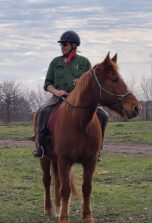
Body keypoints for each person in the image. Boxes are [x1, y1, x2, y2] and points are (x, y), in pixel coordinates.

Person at [32, 30, 108, 158]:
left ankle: (98, 148)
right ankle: (40, 146)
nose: (62, 47)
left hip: (79, 99)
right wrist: (56, 91)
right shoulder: (55, 62)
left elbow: (91, 84)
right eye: (61, 45)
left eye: (65, 44)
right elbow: (47, 84)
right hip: (58, 98)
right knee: (43, 111)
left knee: (103, 114)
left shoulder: (84, 62)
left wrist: (80, 82)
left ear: (74, 45)